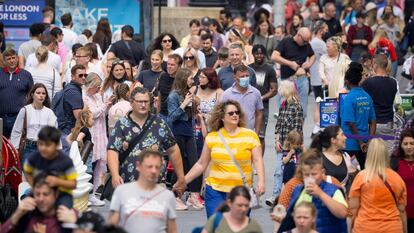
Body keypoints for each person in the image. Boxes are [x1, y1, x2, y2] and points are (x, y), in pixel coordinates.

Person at [182, 100, 265, 218]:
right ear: (222, 117)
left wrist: (261, 181)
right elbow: (201, 164)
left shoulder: (250, 135)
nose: (235, 115)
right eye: (230, 113)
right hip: (215, 192)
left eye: (237, 112)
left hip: (241, 192)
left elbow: (257, 160)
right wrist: (183, 181)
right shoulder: (212, 137)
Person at [107, 87, 186, 194]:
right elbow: (113, 150)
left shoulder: (159, 123)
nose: (143, 105)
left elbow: (173, 150)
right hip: (128, 185)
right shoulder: (121, 124)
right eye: (139, 101)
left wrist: (181, 177)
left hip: (156, 186)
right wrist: (115, 175)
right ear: (131, 102)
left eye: (146, 101)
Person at [108, 149, 177, 233]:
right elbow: (112, 225)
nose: (153, 171)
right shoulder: (122, 191)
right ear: (138, 166)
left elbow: (172, 229)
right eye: (149, 166)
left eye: (157, 167)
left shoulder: (168, 196)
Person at [278, 151, 348, 233]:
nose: (310, 177)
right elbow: (291, 218)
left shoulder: (333, 190)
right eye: (306, 174)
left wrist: (321, 194)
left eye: (314, 174)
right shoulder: (297, 190)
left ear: (322, 172)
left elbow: (343, 213)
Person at [349, 138, 408, 233]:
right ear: (386, 154)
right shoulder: (397, 178)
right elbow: (402, 210)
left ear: (370, 154)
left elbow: (353, 208)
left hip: (365, 227)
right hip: (392, 228)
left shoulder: (361, 177)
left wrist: (350, 227)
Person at [167, 68, 204, 210]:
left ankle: (193, 195)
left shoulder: (188, 93)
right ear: (183, 79)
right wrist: (183, 105)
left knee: (195, 163)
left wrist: (195, 106)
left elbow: (191, 115)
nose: (192, 81)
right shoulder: (173, 96)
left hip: (189, 131)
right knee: (179, 164)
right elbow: (171, 118)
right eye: (190, 78)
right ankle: (174, 196)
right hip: (178, 132)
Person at [0, 173, 77, 233]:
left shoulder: (68, 215)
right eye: (37, 194)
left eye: (46, 194)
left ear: (56, 194)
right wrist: (17, 215)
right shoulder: (28, 213)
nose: (41, 199)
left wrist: (75, 223)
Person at [24, 126, 77, 208]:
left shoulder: (66, 161)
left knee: (63, 211)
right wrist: (34, 186)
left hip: (62, 194)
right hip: (41, 191)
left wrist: (58, 182)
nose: (43, 148)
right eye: (40, 144)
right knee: (26, 206)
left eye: (48, 145)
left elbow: (73, 184)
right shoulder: (34, 158)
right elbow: (27, 171)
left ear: (56, 145)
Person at [270, 80, 304, 203]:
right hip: (282, 144)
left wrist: (292, 148)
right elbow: (278, 124)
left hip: (291, 146)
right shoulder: (283, 104)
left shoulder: (297, 107)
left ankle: (288, 195)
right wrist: (276, 140)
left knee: (289, 172)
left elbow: (297, 129)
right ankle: (275, 196)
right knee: (278, 171)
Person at [272, 27, 315, 118]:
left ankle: (299, 132)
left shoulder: (306, 45)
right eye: (304, 41)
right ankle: (286, 131)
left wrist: (309, 63)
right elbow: (274, 56)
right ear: (299, 36)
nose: (306, 43)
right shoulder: (285, 42)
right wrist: (290, 63)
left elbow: (313, 55)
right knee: (286, 111)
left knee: (302, 111)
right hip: (288, 80)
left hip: (302, 79)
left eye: (307, 41)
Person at [83, 73, 112, 206]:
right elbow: (92, 114)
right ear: (90, 85)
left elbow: (102, 113)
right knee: (89, 164)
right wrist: (104, 105)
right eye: (97, 86)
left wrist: (107, 105)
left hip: (101, 132)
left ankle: (93, 193)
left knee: (99, 164)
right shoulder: (84, 97)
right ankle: (86, 194)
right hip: (91, 132)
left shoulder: (97, 96)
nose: (98, 88)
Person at [10, 83, 57, 165]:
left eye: (43, 93)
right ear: (32, 95)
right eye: (38, 93)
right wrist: (15, 149)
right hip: (28, 148)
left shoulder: (49, 112)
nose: (41, 95)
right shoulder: (25, 110)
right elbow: (17, 131)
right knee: (27, 175)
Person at [341, 62, 376, 170]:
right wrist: (369, 141)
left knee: (352, 175)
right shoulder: (367, 96)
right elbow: (373, 121)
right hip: (365, 145)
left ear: (347, 81)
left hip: (351, 145)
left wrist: (360, 142)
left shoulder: (349, 98)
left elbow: (351, 123)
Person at [362, 54, 397, 153]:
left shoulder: (368, 83)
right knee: (387, 156)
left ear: (375, 65)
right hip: (389, 123)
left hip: (374, 124)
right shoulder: (393, 82)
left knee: (374, 157)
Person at [310, 125, 360, 190]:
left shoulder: (346, 156)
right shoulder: (319, 159)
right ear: (333, 140)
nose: (345, 137)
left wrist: (354, 170)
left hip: (344, 198)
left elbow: (357, 175)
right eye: (342, 135)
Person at [248, 44, 277, 150]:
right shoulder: (248, 69)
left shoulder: (269, 70)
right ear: (253, 54)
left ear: (264, 55)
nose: (259, 56)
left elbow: (274, 90)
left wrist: (261, 98)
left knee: (260, 136)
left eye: (261, 53)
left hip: (263, 107)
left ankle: (259, 162)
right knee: (247, 134)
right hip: (248, 105)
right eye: (257, 53)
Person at [0, 49, 34, 138]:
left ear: (17, 58)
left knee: (17, 146)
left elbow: (32, 96)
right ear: (4, 60)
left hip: (19, 117)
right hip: (1, 118)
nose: (11, 61)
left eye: (13, 58)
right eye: (8, 59)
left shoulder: (26, 75)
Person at [221, 64, 263, 133]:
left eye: (247, 76)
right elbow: (221, 114)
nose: (245, 78)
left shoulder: (256, 93)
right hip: (231, 134)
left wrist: (256, 133)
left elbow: (259, 114)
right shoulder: (227, 94)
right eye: (242, 76)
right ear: (235, 77)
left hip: (249, 133)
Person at [57, 64, 86, 152]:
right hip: (68, 131)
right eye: (80, 75)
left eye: (85, 75)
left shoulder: (70, 88)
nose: (84, 77)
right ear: (73, 77)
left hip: (63, 130)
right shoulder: (74, 92)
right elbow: (79, 116)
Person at [391, 129, 414, 232]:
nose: (409, 147)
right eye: (406, 144)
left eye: (412, 143)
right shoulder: (395, 162)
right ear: (401, 145)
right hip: (402, 211)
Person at [309, 20, 328, 136]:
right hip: (318, 78)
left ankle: (317, 126)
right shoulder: (319, 43)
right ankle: (317, 127)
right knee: (320, 103)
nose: (327, 31)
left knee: (318, 102)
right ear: (320, 30)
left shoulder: (315, 42)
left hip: (316, 77)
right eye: (325, 29)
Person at [158, 54, 183, 121]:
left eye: (172, 65)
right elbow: (159, 96)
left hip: (176, 117)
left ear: (179, 66)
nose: (169, 66)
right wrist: (157, 115)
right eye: (168, 64)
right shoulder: (163, 76)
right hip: (162, 115)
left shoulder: (183, 79)